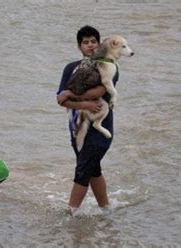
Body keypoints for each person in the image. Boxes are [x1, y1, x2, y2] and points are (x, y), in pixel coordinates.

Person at [56, 25, 112, 213]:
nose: (90, 46)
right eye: (85, 42)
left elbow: (100, 91)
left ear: (99, 43)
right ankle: (106, 209)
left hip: (101, 130)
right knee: (92, 169)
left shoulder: (108, 65)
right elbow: (60, 100)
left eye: (93, 42)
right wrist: (85, 104)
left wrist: (71, 93)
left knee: (82, 170)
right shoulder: (70, 68)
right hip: (77, 129)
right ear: (79, 46)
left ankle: (70, 213)